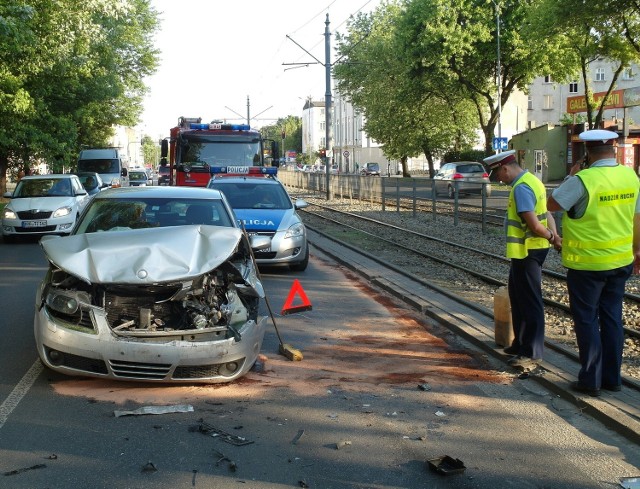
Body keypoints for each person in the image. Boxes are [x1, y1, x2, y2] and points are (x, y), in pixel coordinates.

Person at [548, 129, 640, 397]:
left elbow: (552, 204)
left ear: (587, 152)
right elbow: (637, 217)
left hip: (587, 265)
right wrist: (637, 250)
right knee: (612, 318)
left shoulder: (582, 179)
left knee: (587, 320)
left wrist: (570, 175)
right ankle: (613, 379)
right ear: (613, 148)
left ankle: (591, 380)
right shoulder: (630, 176)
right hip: (621, 261)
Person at [484, 150, 559, 370]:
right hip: (524, 253)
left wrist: (552, 237)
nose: (498, 179)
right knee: (518, 298)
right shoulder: (531, 181)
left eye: (497, 174)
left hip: (529, 252)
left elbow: (536, 225)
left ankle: (531, 352)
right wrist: (554, 236)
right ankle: (520, 344)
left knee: (530, 302)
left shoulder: (522, 188)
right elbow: (548, 214)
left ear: (505, 168)